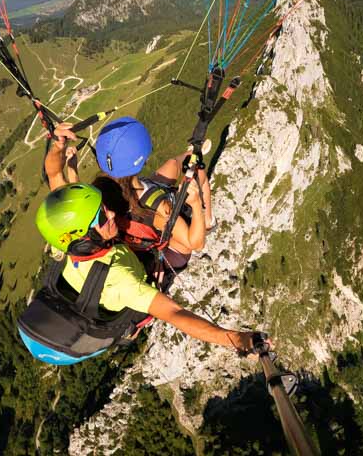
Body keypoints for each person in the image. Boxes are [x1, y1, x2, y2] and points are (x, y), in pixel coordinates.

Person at [30, 123, 263, 357]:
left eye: (102, 208)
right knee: (189, 176)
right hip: (163, 255)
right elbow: (175, 313)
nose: (109, 213)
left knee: (174, 165)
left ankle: (189, 157)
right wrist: (235, 339)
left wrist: (57, 146)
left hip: (134, 232)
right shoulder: (121, 281)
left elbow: (53, 174)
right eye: (102, 216)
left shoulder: (71, 234)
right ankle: (206, 211)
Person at [93, 116, 214, 274]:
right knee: (199, 174)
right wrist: (196, 203)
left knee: (173, 164)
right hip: (172, 251)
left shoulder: (101, 190)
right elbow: (195, 244)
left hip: (139, 215)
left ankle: (192, 153)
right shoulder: (159, 209)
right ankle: (208, 220)